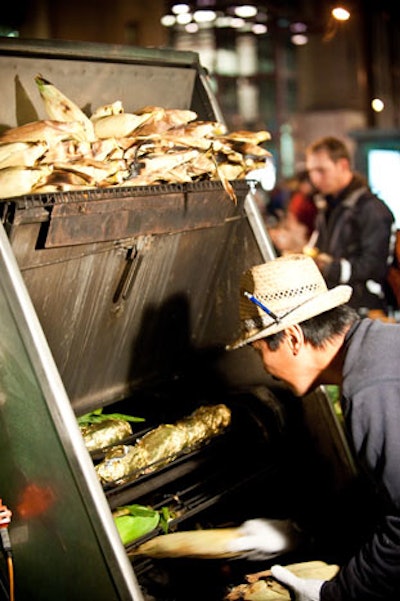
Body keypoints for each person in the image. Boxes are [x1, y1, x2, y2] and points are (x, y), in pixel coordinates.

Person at [225, 253, 400, 600]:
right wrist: (303, 530)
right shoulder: (379, 347)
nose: (265, 368)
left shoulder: (370, 390)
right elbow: (380, 487)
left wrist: (333, 595)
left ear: (292, 338)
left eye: (260, 351)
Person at [304, 136, 395, 316]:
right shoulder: (328, 205)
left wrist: (330, 268)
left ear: (343, 165)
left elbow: (375, 265)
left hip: (365, 308)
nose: (315, 178)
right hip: (339, 304)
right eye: (311, 171)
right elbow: (319, 247)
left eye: (321, 170)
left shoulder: (372, 209)